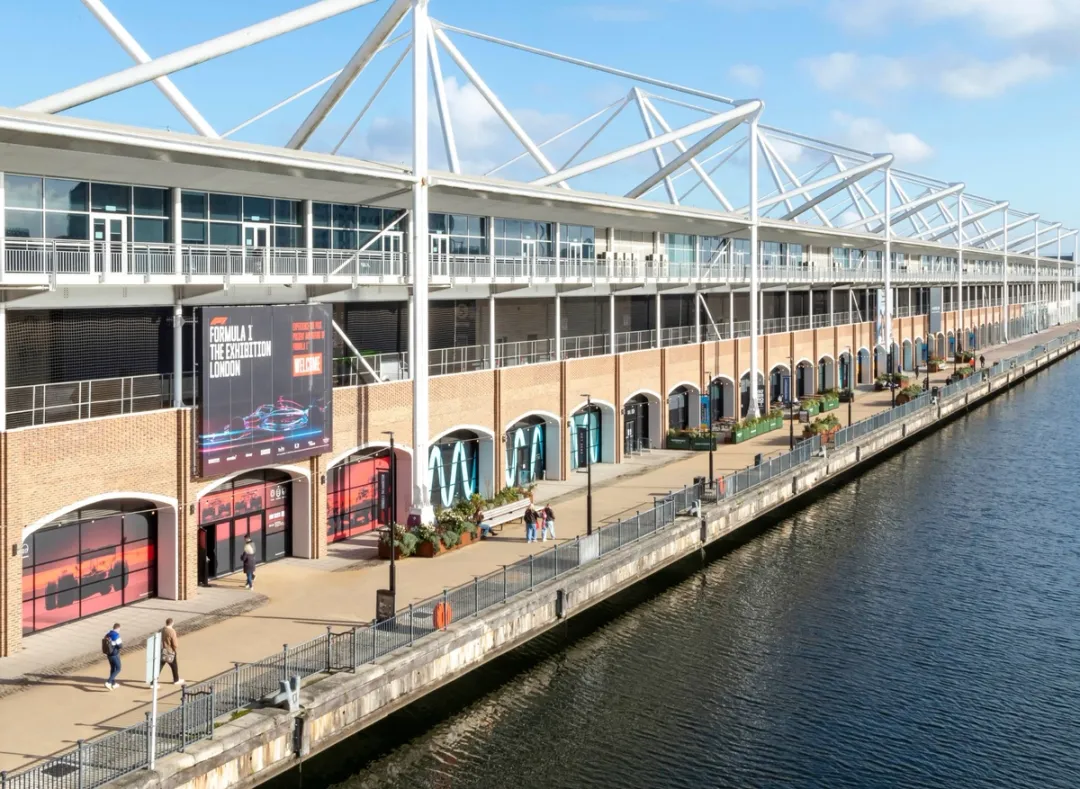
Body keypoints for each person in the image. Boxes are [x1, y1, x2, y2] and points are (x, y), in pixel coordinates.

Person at [160, 618, 184, 685]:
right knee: (174, 665)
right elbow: (175, 643)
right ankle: (176, 679)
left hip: (163, 650)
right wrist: (174, 649)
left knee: (160, 666)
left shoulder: (163, 629)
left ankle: (153, 681)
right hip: (170, 651)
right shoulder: (172, 631)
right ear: (172, 623)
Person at [103, 622, 122, 690]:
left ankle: (113, 683)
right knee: (118, 668)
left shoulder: (108, 634)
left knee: (113, 668)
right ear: (118, 628)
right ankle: (108, 682)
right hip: (114, 654)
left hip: (109, 654)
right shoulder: (116, 635)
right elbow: (120, 646)